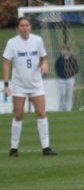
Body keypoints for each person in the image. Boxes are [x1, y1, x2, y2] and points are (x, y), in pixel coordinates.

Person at [3, 16, 58, 157]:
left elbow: (43, 57)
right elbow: (6, 64)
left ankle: (46, 147)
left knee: (41, 113)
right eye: (21, 25)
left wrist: (44, 65)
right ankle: (14, 148)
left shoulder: (37, 40)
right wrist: (7, 84)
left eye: (26, 25)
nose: (24, 28)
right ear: (17, 28)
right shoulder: (12, 43)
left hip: (36, 84)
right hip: (19, 85)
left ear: (30, 27)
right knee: (18, 115)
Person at [55, 44, 79, 112]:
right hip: (61, 79)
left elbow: (76, 68)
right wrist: (62, 74)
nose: (63, 51)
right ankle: (61, 108)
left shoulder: (72, 59)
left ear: (68, 51)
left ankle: (68, 109)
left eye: (65, 50)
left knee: (69, 94)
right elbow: (57, 69)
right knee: (62, 93)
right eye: (62, 50)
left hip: (70, 78)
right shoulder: (59, 60)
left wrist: (70, 74)